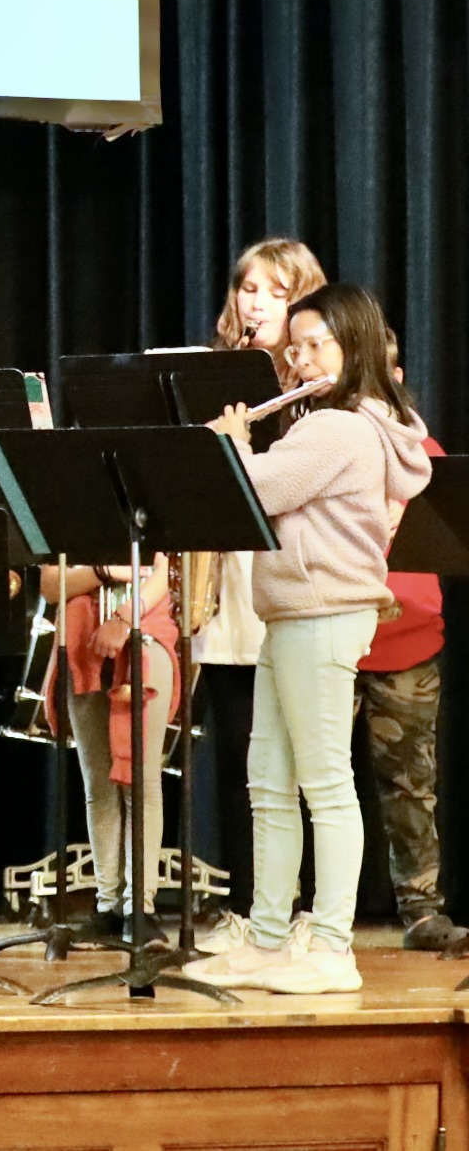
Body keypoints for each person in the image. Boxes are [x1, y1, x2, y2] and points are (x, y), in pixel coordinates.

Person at [190, 283, 430, 996]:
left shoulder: (341, 427)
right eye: (293, 347)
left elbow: (256, 492)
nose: (297, 360)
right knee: (269, 781)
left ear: (353, 346)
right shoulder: (326, 421)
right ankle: (268, 937)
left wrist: (232, 445)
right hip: (294, 613)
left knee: (324, 784)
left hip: (323, 613)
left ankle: (330, 944)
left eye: (314, 344)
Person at [191, 237, 328, 929]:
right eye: (249, 288)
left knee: (301, 757)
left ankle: (299, 910)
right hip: (230, 594)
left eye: (276, 291)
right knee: (241, 759)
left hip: (295, 584)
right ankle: (249, 908)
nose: (257, 302)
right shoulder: (218, 380)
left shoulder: (318, 392)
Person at [358, 328, 459, 951]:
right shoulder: (322, 443)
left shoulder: (423, 447)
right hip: (330, 638)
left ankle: (421, 910)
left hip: (409, 640)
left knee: (410, 784)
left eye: (392, 369)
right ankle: (295, 912)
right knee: (306, 785)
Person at [42, 553, 178, 934]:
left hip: (145, 639)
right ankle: (107, 906)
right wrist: (102, 571)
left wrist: (123, 620)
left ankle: (140, 907)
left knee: (142, 782)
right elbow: (51, 585)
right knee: (97, 783)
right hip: (80, 641)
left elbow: (162, 575)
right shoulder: (74, 510)